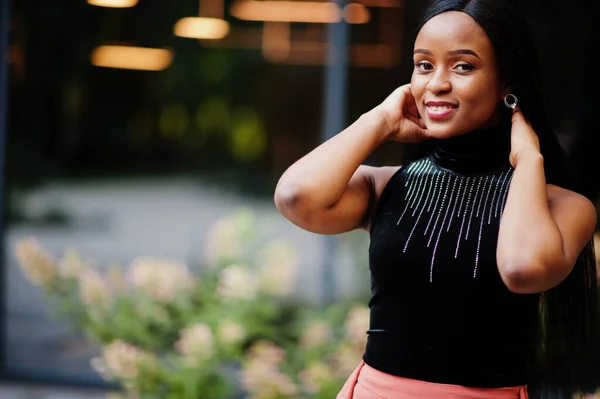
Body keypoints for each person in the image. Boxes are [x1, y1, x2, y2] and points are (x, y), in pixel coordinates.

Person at [273, 0, 599, 398]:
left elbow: (522, 269)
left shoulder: (563, 205)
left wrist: (528, 159)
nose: (436, 83)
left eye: (463, 66)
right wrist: (380, 120)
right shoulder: (386, 186)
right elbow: (295, 197)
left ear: (507, 84)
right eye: (424, 65)